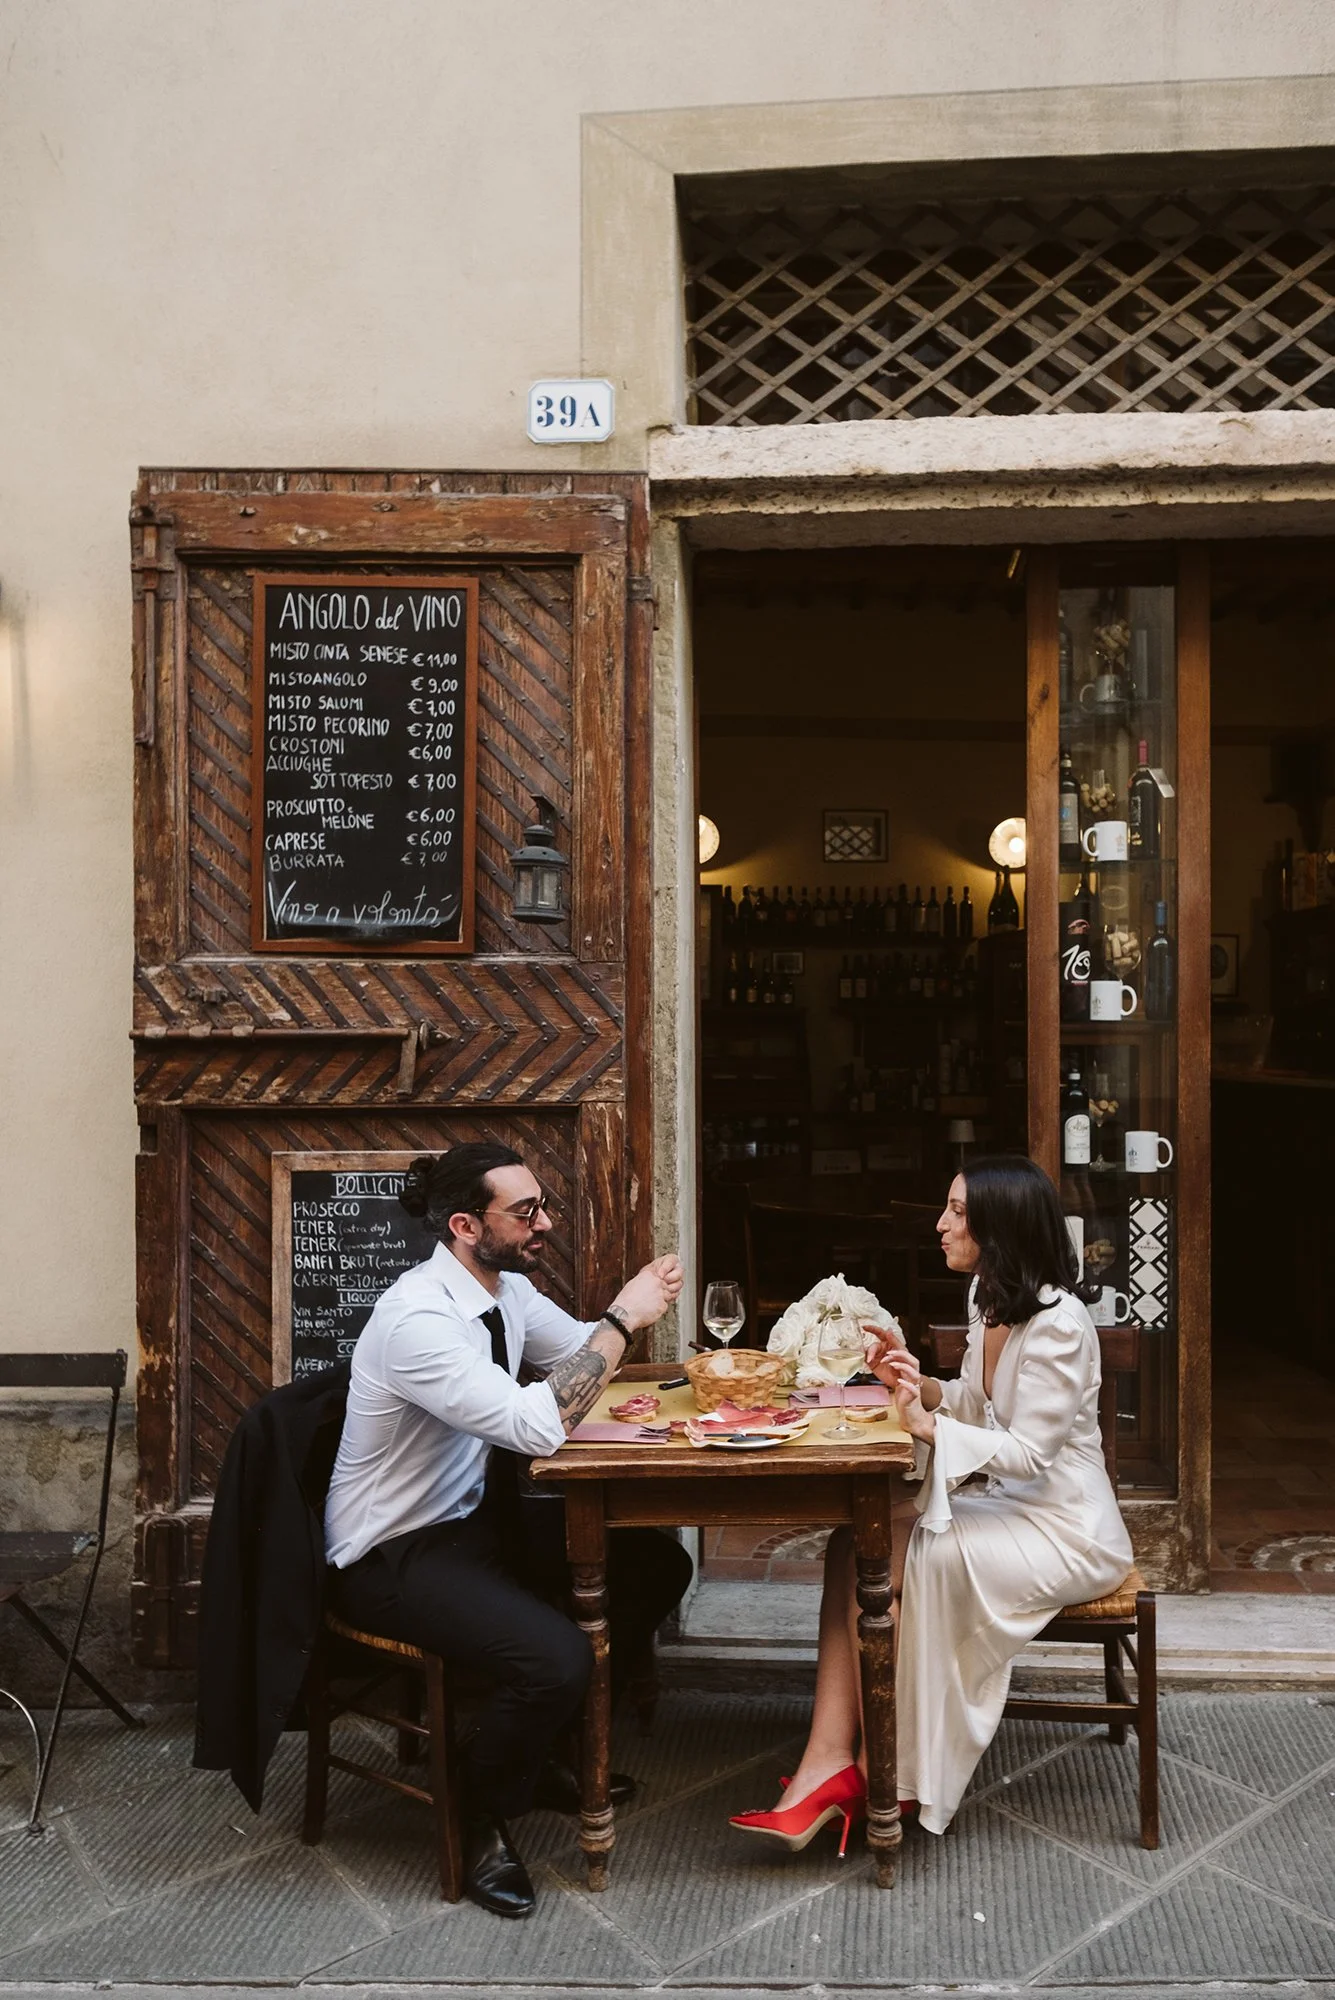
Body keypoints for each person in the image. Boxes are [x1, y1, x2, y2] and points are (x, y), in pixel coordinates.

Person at [324, 1142, 692, 1917]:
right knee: (555, 1658)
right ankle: (475, 1809)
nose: (545, 1223)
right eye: (525, 1212)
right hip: (392, 1552)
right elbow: (538, 1424)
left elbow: (586, 1359)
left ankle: (538, 1754)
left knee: (657, 1566)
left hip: (473, 1523)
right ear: (465, 1225)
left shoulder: (508, 1292)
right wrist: (624, 1316)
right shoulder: (418, 1320)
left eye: (542, 1206)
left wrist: (645, 1348)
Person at [729, 1153, 1133, 1849]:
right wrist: (918, 1385)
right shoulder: (989, 1298)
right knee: (850, 1545)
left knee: (890, 1555)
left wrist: (929, 1428)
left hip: (1068, 1531)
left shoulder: (1060, 1324)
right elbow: (978, 1401)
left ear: (1000, 1227)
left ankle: (884, 1773)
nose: (940, 1225)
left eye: (956, 1212)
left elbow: (1030, 1454)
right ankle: (831, 1760)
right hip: (1011, 1509)